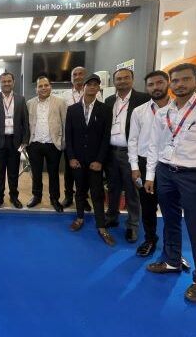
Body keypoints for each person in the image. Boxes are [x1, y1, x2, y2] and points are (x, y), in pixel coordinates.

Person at [145, 63, 196, 303]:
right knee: (170, 221)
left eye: (185, 79)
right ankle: (172, 261)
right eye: (176, 80)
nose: (180, 84)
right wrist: (150, 175)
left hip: (194, 176)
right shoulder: (164, 112)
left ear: (195, 81)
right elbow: (154, 145)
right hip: (165, 173)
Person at [65, 73, 114, 245]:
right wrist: (71, 157)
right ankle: (79, 218)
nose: (92, 87)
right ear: (83, 87)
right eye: (89, 84)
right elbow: (68, 136)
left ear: (99, 88)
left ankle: (101, 226)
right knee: (79, 191)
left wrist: (100, 160)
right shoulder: (72, 110)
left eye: (96, 85)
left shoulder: (105, 109)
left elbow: (106, 137)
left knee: (97, 193)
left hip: (95, 162)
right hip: (77, 160)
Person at [128, 71, 171, 257]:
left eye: (159, 83)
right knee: (148, 207)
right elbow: (133, 140)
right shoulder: (139, 111)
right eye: (151, 84)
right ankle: (150, 239)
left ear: (168, 83)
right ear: (146, 88)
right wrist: (134, 167)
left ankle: (172, 247)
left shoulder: (178, 110)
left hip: (170, 166)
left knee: (171, 208)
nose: (156, 87)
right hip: (145, 165)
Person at [104, 68, 150, 243]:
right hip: (111, 151)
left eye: (126, 78)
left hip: (131, 153)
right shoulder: (109, 100)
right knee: (113, 187)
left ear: (132, 79)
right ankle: (112, 216)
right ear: (114, 82)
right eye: (119, 79)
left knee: (132, 190)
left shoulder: (143, 99)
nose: (122, 81)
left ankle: (132, 225)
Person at [0, 72, 29, 209]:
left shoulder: (21, 99)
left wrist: (25, 140)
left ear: (13, 82)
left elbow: (25, 122)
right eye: (4, 81)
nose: (6, 84)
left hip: (15, 141)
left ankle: (14, 197)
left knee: (13, 172)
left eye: (9, 81)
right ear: (0, 83)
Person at [26, 76, 67, 212]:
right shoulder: (30, 103)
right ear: (36, 89)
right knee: (36, 173)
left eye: (46, 85)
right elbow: (27, 124)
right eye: (40, 86)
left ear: (50, 87)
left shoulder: (60, 102)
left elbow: (65, 123)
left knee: (53, 173)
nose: (43, 88)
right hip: (34, 144)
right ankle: (36, 196)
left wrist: (63, 142)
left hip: (53, 144)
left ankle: (54, 199)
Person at [60, 66, 91, 211]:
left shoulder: (93, 93)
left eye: (80, 74)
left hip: (88, 140)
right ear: (71, 78)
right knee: (69, 171)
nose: (78, 77)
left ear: (85, 76)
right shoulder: (64, 96)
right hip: (70, 138)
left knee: (85, 171)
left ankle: (83, 198)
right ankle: (68, 196)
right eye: (75, 75)